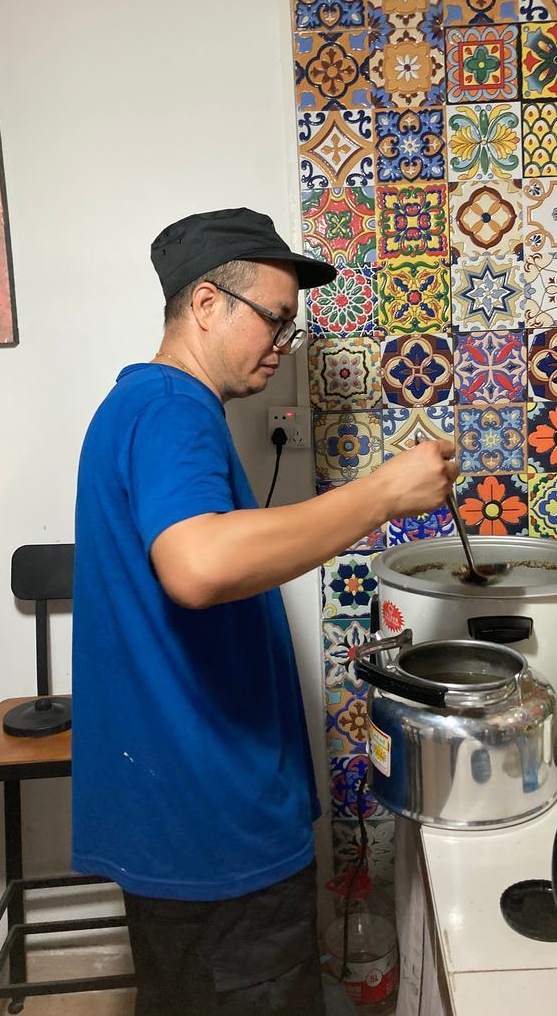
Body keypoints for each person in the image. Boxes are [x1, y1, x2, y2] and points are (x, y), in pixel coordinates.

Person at [71, 207, 458, 1016]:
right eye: (274, 318)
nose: (282, 341)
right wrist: (383, 493)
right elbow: (199, 564)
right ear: (207, 304)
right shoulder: (172, 408)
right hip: (214, 819)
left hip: (177, 811)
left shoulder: (138, 406)